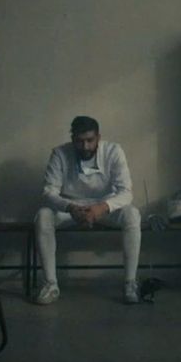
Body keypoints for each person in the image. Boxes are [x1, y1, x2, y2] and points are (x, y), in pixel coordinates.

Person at [33, 115, 142, 305]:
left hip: (104, 207)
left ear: (98, 137)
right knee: (43, 216)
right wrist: (71, 207)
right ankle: (50, 284)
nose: (85, 146)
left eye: (90, 140)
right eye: (79, 141)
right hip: (70, 208)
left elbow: (126, 192)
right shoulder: (59, 153)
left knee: (132, 214)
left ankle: (130, 283)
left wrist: (101, 208)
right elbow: (48, 191)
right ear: (72, 139)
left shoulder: (114, 151)